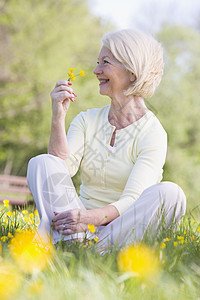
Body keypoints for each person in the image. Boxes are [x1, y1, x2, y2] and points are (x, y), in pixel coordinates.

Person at [27, 29, 186, 251]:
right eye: (98, 62)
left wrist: (89, 218)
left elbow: (132, 199)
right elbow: (60, 167)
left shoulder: (153, 133)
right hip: (78, 229)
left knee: (171, 194)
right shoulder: (87, 120)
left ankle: (92, 250)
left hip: (121, 231)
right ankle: (74, 245)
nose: (96, 70)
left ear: (132, 71)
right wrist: (58, 117)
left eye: (105, 62)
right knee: (41, 163)